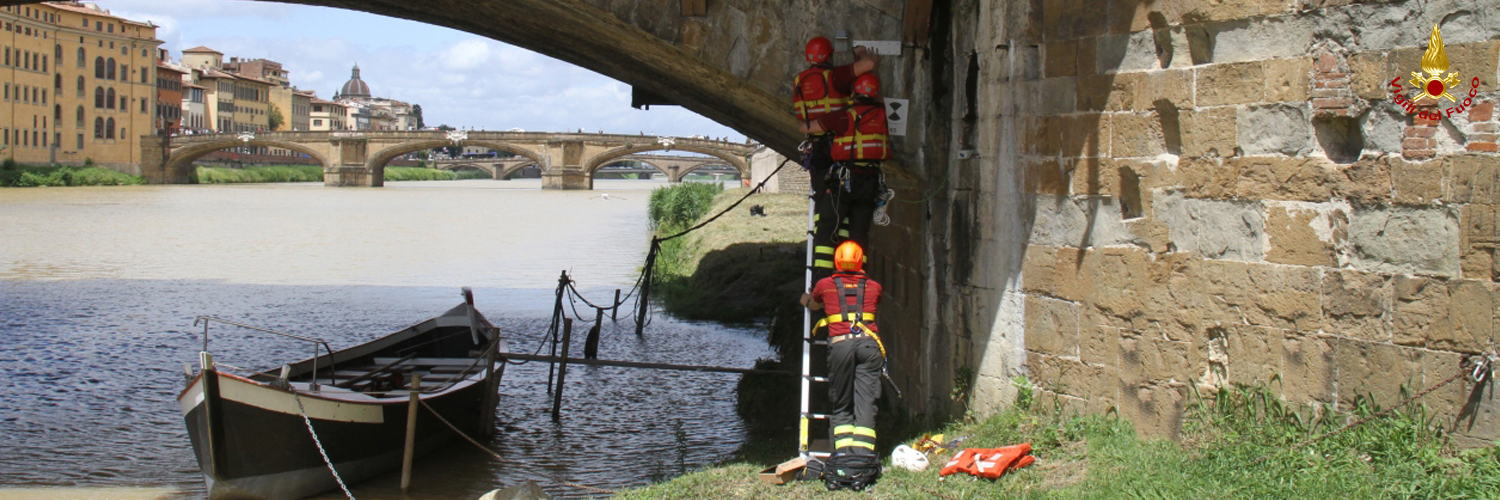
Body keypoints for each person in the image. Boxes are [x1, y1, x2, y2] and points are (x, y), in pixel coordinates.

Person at [799, 241, 885, 490]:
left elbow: (815, 305)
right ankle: (864, 457)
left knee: (841, 402)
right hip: (869, 345)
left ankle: (843, 456)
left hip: (840, 346)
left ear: (836, 261)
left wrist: (805, 300)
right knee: (866, 402)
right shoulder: (874, 287)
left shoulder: (824, 285)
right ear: (860, 262)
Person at [793, 37, 877, 283]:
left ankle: (822, 277)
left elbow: (803, 124)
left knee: (825, 210)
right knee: (845, 212)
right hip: (838, 149)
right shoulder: (836, 77)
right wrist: (859, 52)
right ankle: (849, 269)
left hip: (816, 149)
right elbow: (868, 65)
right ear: (829, 56)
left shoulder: (799, 81)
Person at [799, 73, 889, 263]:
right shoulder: (882, 114)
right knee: (859, 234)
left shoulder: (843, 116)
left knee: (827, 229)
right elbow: (879, 102)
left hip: (845, 181)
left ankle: (823, 278)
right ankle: (859, 277)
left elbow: (806, 128)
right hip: (870, 181)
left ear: (852, 94)